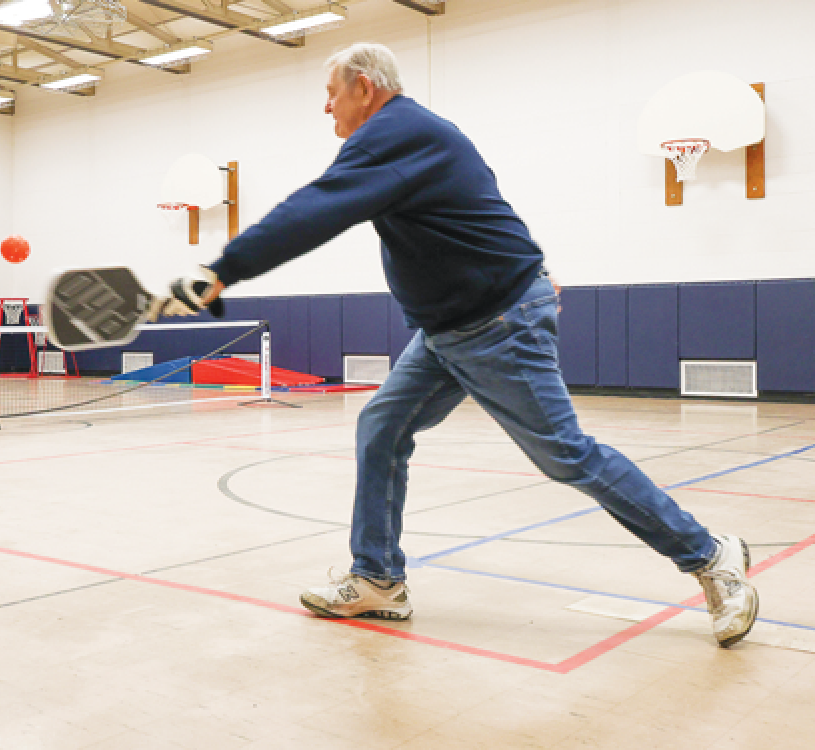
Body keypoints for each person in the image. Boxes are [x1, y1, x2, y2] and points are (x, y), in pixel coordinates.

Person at [161, 43, 757, 648]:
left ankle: (711, 556)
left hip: (496, 324)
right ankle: (378, 579)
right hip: (449, 331)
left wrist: (224, 268)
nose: (327, 107)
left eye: (333, 93)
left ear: (365, 87)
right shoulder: (410, 135)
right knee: (382, 427)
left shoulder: (396, 131)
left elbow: (314, 210)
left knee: (566, 455)